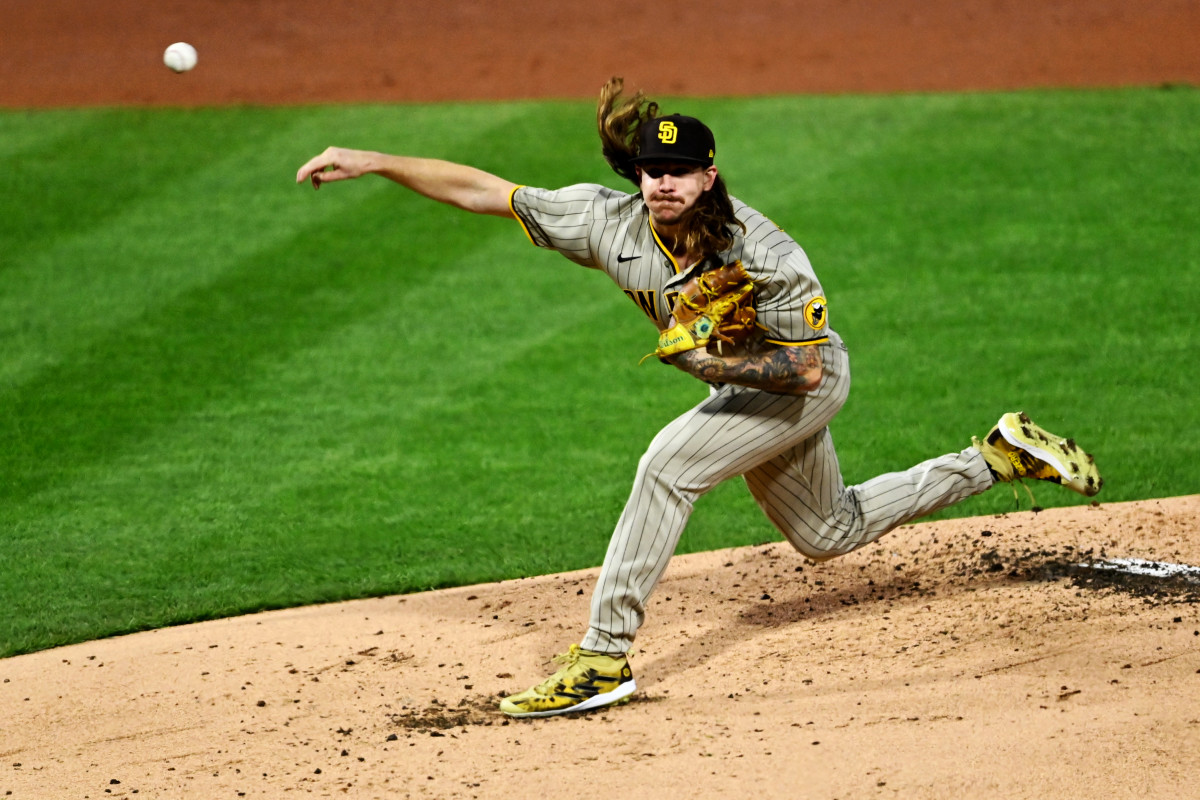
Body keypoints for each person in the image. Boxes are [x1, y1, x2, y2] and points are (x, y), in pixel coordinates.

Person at [296, 77, 1102, 719]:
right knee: (828, 531)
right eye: (652, 169)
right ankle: (993, 457)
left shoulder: (767, 255)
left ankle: (602, 659)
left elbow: (810, 373)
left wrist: (722, 364)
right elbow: (485, 190)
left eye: (680, 171)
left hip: (801, 381)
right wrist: (375, 160)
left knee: (666, 465)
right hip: (766, 385)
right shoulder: (605, 222)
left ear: (709, 175)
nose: (663, 184)